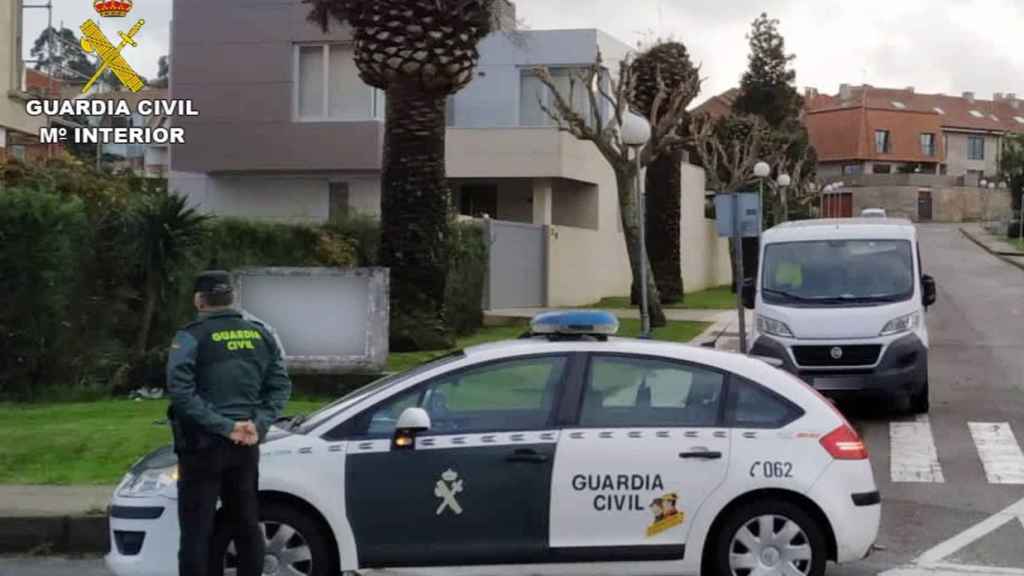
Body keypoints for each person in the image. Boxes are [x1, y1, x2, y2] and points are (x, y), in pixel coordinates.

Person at [167, 270, 292, 576]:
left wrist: (224, 426)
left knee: (197, 530)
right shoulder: (260, 334)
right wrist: (257, 425)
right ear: (232, 298)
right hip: (246, 447)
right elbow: (280, 386)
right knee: (247, 525)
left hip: (201, 448)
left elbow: (181, 392)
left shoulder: (190, 336)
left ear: (199, 300)